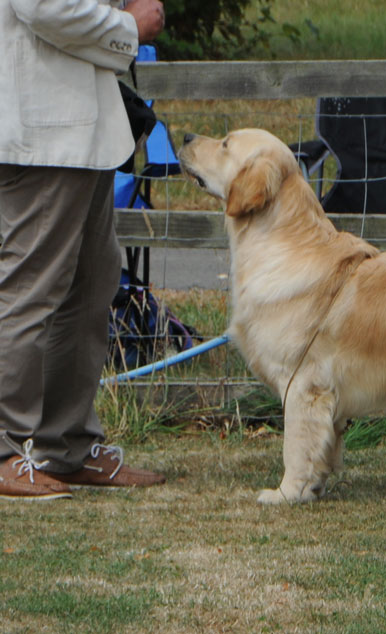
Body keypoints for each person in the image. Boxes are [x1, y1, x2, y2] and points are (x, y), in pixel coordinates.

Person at [0, 0, 167, 500]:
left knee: (91, 285)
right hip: (44, 135)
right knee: (30, 290)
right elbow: (42, 7)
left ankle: (67, 447)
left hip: (84, 134)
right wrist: (128, 27)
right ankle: (6, 451)